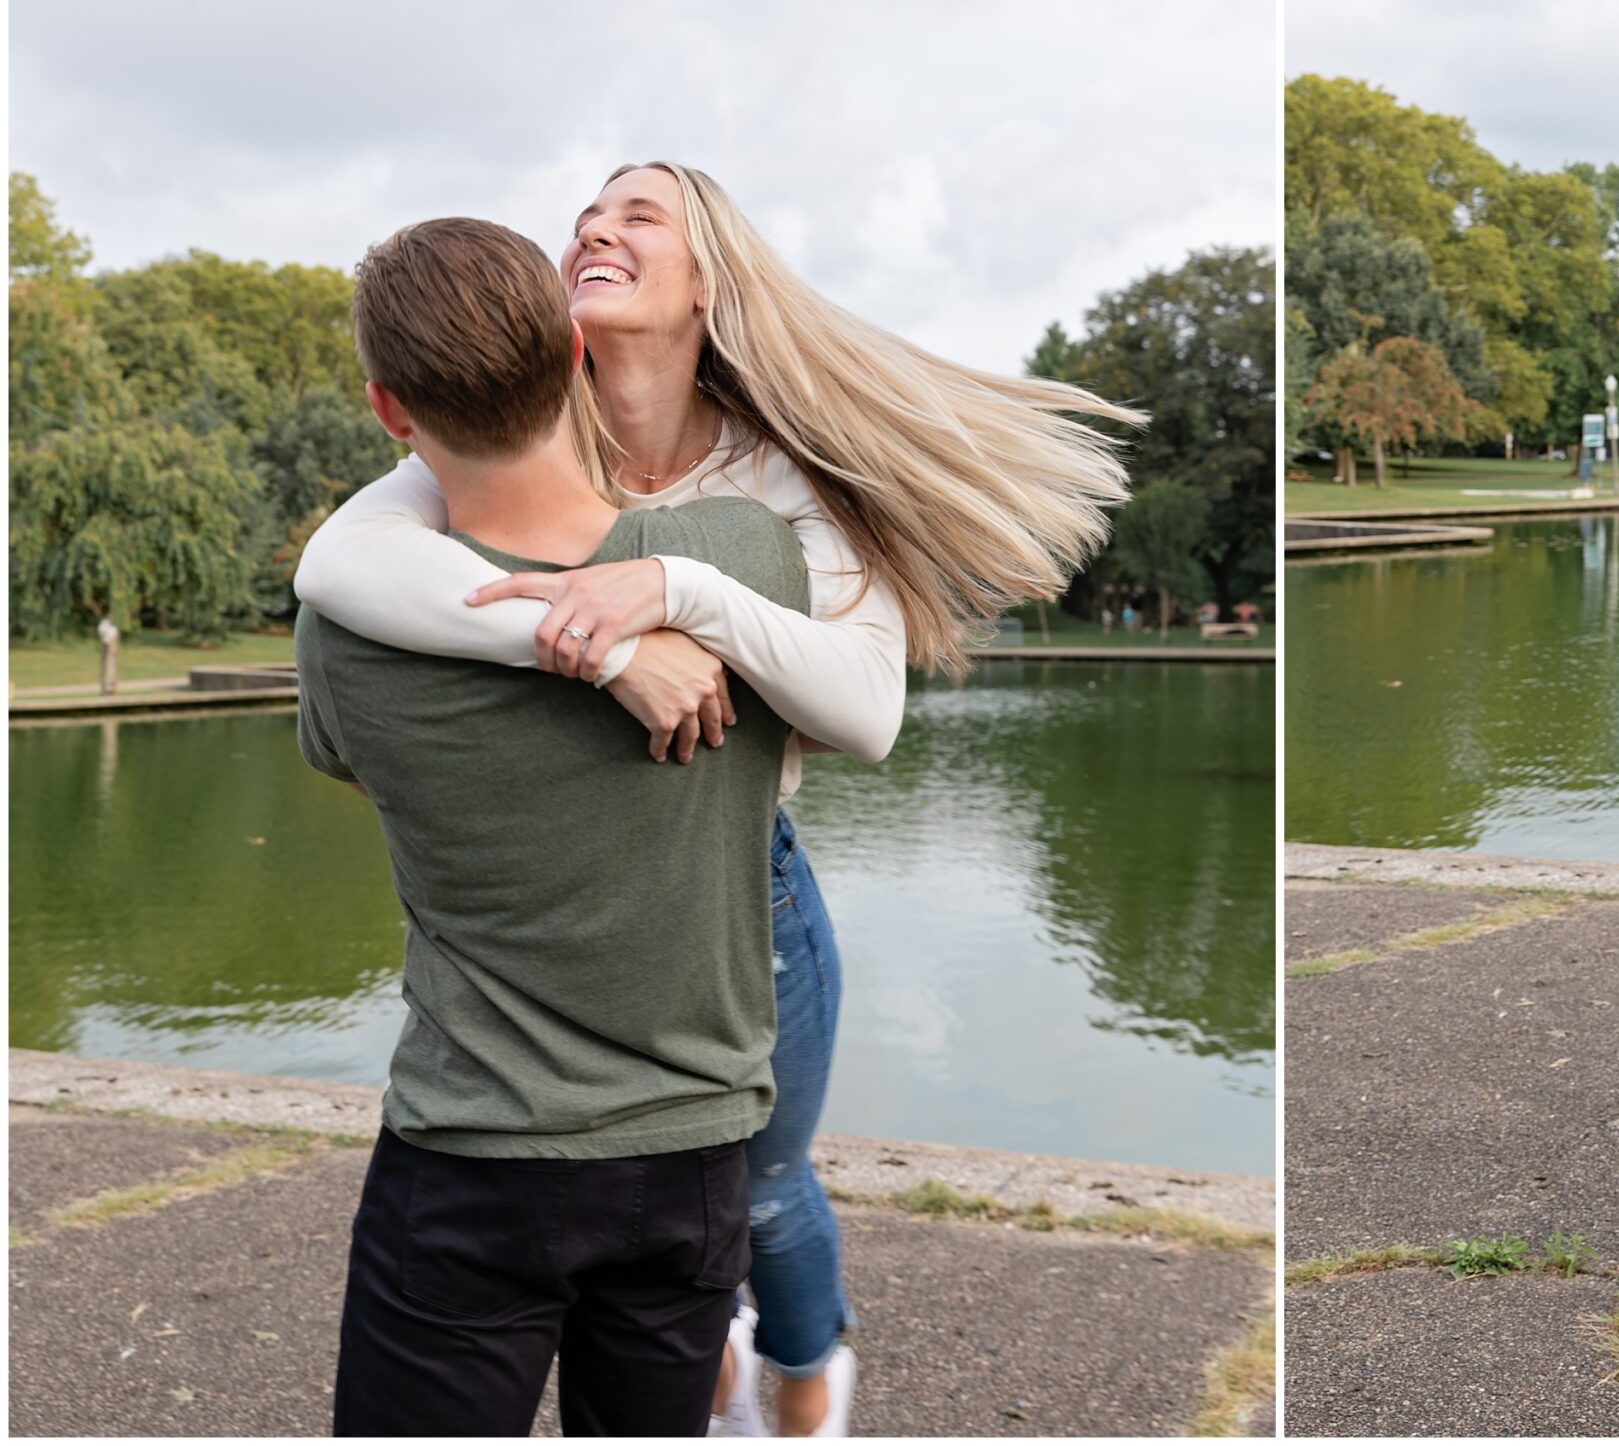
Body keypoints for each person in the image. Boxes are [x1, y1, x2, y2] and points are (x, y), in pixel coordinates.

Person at [295, 162, 1141, 1437]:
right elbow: (337, 562)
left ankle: (804, 1369)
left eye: (641, 215)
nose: (596, 225)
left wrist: (685, 598)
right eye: (585, 213)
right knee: (686, 1215)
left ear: (710, 280)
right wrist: (592, 644)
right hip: (608, 958)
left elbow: (864, 715)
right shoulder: (523, 422)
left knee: (763, 1184)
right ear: (551, 335)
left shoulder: (767, 502)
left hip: (744, 883)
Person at [300, 218, 806, 1434]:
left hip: (468, 1158)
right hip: (689, 1161)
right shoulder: (743, 558)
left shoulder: (346, 631)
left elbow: (362, 773)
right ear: (574, 351)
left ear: (387, 410)